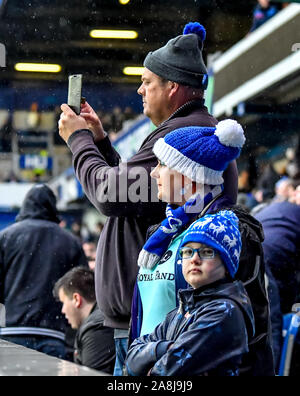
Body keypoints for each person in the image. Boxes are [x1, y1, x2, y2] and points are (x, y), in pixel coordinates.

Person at [58, 21, 239, 375]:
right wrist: (100, 143)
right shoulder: (184, 133)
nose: (139, 89)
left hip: (150, 328)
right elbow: (135, 196)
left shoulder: (180, 138)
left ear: (172, 87)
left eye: (147, 81)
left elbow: (111, 195)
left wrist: (78, 141)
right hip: (146, 323)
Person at [131, 120, 275, 376]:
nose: (153, 173)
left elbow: (248, 326)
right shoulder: (161, 233)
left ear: (190, 175)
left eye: (162, 164)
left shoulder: (231, 230)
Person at [125, 211, 255, 376]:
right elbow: (130, 362)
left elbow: (164, 374)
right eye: (187, 252)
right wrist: (163, 348)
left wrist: (152, 359)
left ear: (226, 262)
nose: (194, 259)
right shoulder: (180, 310)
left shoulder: (223, 312)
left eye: (207, 252)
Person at [0, 184, 88, 358]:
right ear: (52, 206)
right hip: (54, 334)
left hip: (12, 332)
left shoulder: (6, 237)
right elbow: (81, 290)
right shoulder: (70, 242)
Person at [53, 267, 115, 374]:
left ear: (77, 299)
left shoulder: (95, 329)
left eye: (64, 302)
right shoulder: (102, 318)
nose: (63, 311)